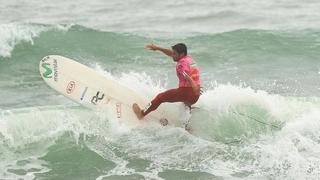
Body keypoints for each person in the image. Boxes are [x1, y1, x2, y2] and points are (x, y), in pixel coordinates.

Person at [132, 43, 201, 123]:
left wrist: (193, 85)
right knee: (186, 105)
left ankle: (142, 114)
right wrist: (158, 48)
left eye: (174, 54)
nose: (172, 55)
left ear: (181, 54)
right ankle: (187, 127)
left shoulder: (181, 64)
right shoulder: (189, 59)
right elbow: (170, 53)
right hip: (195, 95)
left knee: (160, 97)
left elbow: (185, 74)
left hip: (187, 91)